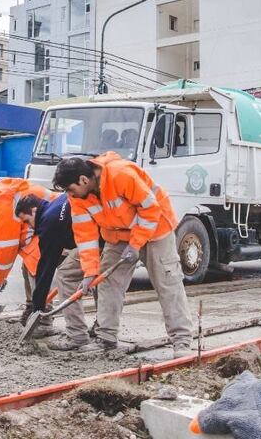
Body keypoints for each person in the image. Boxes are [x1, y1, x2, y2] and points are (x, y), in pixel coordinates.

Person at [53, 152, 194, 359]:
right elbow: (85, 236)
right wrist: (90, 272)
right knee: (108, 282)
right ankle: (106, 339)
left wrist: (136, 244)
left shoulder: (120, 174)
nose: (69, 194)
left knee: (167, 282)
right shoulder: (78, 197)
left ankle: (182, 340)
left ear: (83, 180)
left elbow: (150, 209)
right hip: (118, 235)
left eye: (70, 189)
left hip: (156, 229)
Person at [0, 178, 54, 320]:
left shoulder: (1, 207)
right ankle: (32, 308)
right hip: (45, 223)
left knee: (36, 269)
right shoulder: (0, 196)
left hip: (53, 223)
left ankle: (43, 319)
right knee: (28, 267)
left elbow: (7, 250)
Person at [14, 193, 75, 342]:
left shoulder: (48, 224)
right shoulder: (54, 206)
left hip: (98, 238)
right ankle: (99, 327)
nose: (29, 226)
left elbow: (46, 269)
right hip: (100, 234)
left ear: (34, 210)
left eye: (27, 221)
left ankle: (77, 335)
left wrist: (37, 307)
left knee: (65, 277)